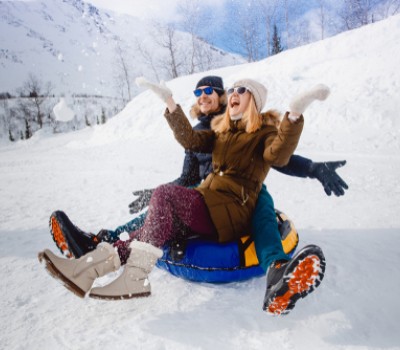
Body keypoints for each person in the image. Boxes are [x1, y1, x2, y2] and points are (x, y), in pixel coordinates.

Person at [39, 77, 329, 315]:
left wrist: (293, 115)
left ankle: (135, 276)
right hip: (209, 200)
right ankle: (86, 269)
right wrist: (170, 103)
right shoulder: (220, 130)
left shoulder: (264, 131)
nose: (235, 94)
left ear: (255, 100)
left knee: (166, 197)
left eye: (242, 90)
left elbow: (278, 155)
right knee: (147, 226)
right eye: (233, 90)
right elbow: (190, 141)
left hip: (231, 207)